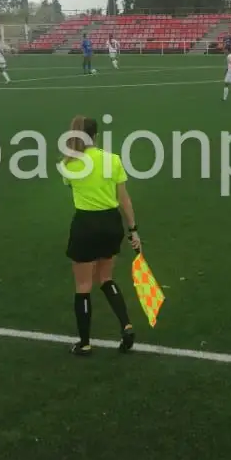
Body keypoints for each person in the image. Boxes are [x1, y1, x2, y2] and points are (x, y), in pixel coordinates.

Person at [60, 115, 141, 356]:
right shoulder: (113, 160)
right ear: (96, 135)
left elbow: (71, 185)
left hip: (85, 224)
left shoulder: (69, 164)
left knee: (83, 286)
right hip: (111, 224)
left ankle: (84, 343)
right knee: (106, 278)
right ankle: (126, 326)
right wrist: (133, 229)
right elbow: (124, 199)